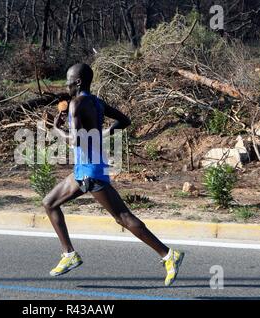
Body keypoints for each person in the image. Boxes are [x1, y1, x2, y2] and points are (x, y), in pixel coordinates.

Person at [43, 63, 184, 286]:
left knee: (122, 217)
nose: (66, 85)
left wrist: (55, 128)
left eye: (68, 81)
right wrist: (102, 133)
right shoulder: (97, 102)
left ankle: (168, 255)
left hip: (90, 172)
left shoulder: (76, 104)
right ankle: (69, 254)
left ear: (78, 82)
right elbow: (124, 121)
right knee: (49, 203)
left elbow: (77, 139)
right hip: (84, 170)